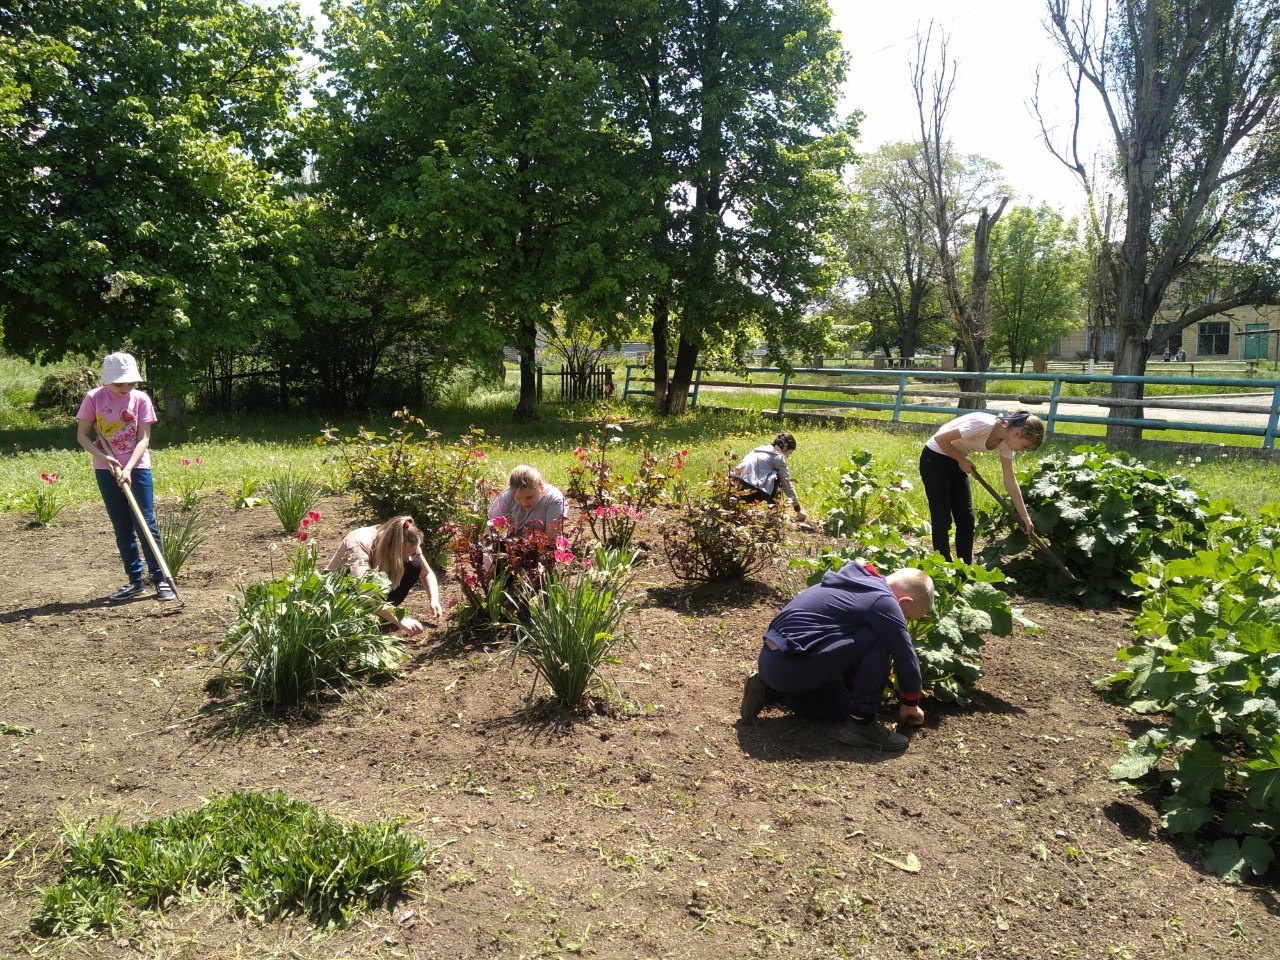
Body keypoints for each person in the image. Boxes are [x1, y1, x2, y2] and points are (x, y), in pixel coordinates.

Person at [740, 561, 935, 752]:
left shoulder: (856, 581)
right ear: (905, 602)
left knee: (843, 709)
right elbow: (905, 656)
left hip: (774, 662)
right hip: (792, 665)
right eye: (908, 617)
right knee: (881, 637)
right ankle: (862, 725)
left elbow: (843, 643)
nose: (905, 621)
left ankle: (769, 691)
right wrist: (911, 703)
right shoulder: (883, 601)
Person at [76, 352, 173, 602]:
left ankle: (161, 580)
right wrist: (105, 458)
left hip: (137, 467)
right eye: (120, 383)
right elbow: (82, 436)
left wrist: (128, 467)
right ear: (107, 381)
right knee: (122, 526)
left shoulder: (140, 399)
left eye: (130, 382)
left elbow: (144, 439)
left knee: (145, 522)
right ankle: (135, 581)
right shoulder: (94, 399)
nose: (126, 387)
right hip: (105, 468)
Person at [918, 410, 1044, 564]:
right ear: (1017, 433)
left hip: (957, 460)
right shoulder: (983, 424)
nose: (1022, 451)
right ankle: (943, 565)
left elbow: (1010, 480)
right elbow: (940, 439)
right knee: (942, 516)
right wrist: (961, 459)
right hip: (935, 458)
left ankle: (965, 567)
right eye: (1024, 446)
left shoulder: (1006, 443)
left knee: (966, 518)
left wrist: (1024, 516)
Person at [325, 515, 443, 635]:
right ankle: (361, 618)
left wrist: (434, 600)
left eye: (412, 552)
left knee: (415, 565)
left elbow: (426, 574)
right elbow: (365, 593)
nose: (408, 558)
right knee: (365, 594)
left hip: (372, 587)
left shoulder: (406, 540)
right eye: (404, 555)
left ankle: (382, 614)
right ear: (391, 549)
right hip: (344, 591)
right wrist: (400, 619)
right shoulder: (360, 544)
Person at [731, 432, 806, 520]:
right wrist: (798, 509)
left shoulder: (758, 450)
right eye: (789, 453)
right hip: (750, 489)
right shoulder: (778, 457)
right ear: (785, 446)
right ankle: (774, 511)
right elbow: (786, 483)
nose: (788, 457)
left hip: (733, 482)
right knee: (779, 478)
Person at [488, 465, 569, 537]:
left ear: (541, 488)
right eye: (518, 498)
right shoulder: (507, 496)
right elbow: (491, 529)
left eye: (529, 497)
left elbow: (553, 539)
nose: (524, 504)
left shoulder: (554, 500)